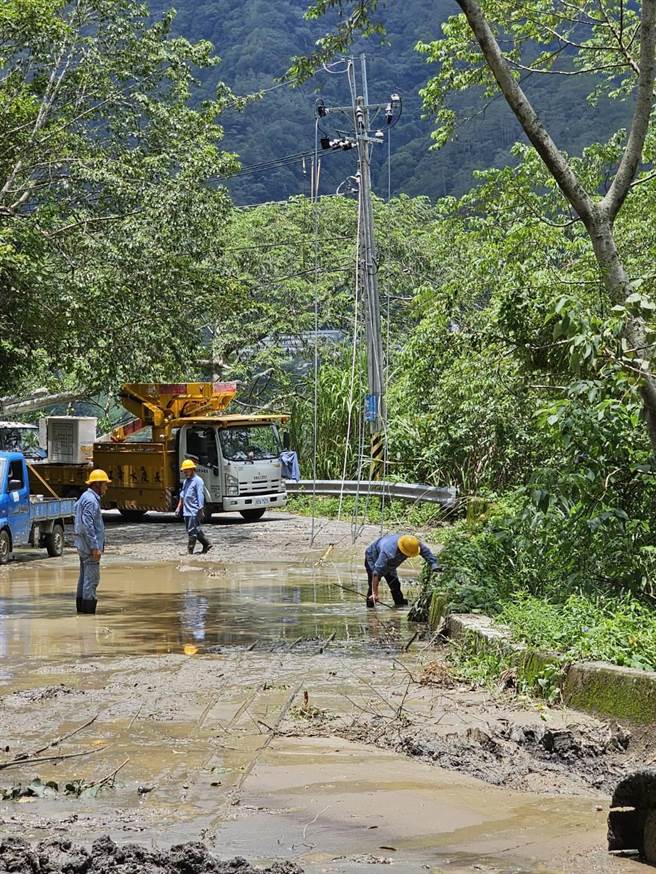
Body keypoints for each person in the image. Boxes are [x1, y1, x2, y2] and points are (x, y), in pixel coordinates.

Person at [365, 533, 440, 608]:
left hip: (390, 563)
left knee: (395, 585)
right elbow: (376, 573)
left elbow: (426, 552)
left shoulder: (413, 544)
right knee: (372, 588)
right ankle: (371, 609)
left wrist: (434, 565)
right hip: (373, 557)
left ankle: (399, 606)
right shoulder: (388, 552)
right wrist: (375, 593)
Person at [74, 468, 111, 615]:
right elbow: (87, 524)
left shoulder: (84, 497)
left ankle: (81, 611)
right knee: (92, 579)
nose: (106, 488)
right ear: (97, 484)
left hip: (82, 544)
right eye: (105, 485)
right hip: (89, 547)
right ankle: (88, 614)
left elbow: (76, 513)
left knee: (84, 577)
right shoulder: (91, 500)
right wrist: (95, 547)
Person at [176, 459, 212, 555]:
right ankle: (207, 544)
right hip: (186, 511)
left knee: (192, 531)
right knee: (194, 529)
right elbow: (182, 495)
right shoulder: (185, 482)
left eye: (186, 470)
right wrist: (178, 508)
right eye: (184, 471)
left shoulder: (198, 481)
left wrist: (200, 509)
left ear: (192, 469)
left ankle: (189, 551)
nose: (185, 472)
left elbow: (200, 495)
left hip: (194, 511)